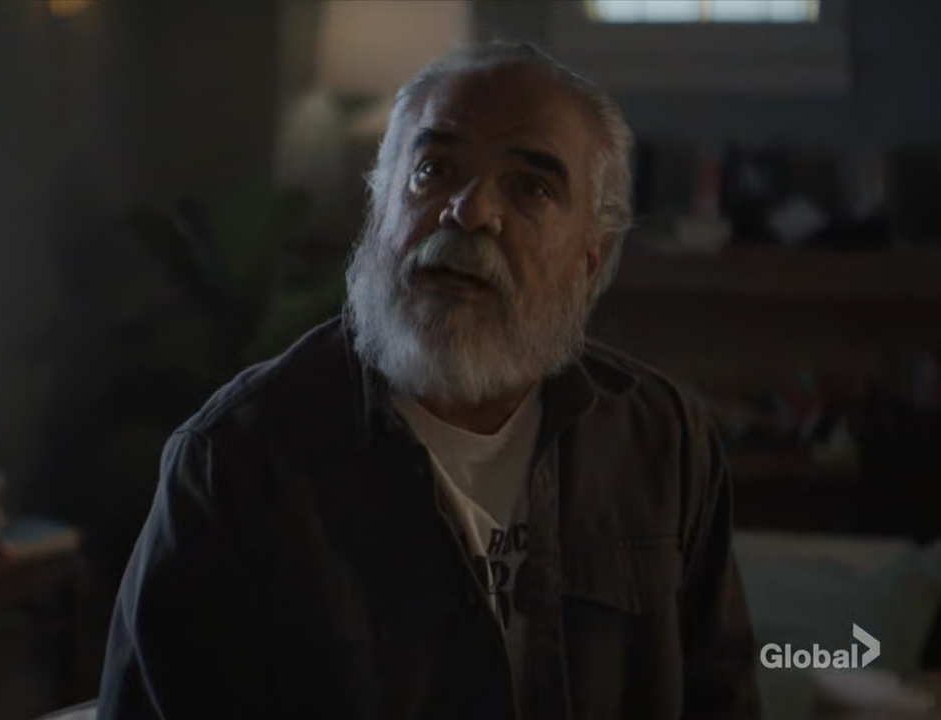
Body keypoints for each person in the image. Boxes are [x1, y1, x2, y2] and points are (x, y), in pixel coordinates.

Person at [97, 41, 760, 720]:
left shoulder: (665, 442)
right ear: (379, 207)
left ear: (592, 259)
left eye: (530, 187)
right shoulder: (234, 461)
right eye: (434, 170)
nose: (470, 212)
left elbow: (724, 698)